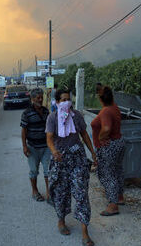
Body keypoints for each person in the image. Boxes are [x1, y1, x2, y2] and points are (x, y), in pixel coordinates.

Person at [46, 89, 97, 246]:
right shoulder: (52, 118)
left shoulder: (77, 116)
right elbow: (49, 138)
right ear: (57, 102)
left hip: (77, 159)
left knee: (81, 193)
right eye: (63, 100)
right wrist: (54, 151)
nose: (66, 102)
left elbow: (84, 135)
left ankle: (85, 233)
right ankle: (61, 221)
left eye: (69, 99)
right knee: (61, 192)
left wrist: (92, 152)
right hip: (60, 159)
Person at [90, 86, 125, 216]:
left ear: (100, 98)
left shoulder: (105, 111)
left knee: (106, 173)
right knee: (117, 170)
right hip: (119, 143)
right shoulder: (114, 107)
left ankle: (113, 204)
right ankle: (119, 197)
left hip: (109, 146)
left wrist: (100, 137)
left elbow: (106, 128)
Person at [21, 88, 51, 202]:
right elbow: (24, 131)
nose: (40, 99)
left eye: (41, 97)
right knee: (34, 171)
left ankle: (49, 193)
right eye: (37, 98)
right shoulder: (26, 113)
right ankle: (35, 191)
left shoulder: (46, 111)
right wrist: (24, 146)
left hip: (46, 147)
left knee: (48, 170)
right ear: (32, 99)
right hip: (32, 148)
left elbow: (50, 128)